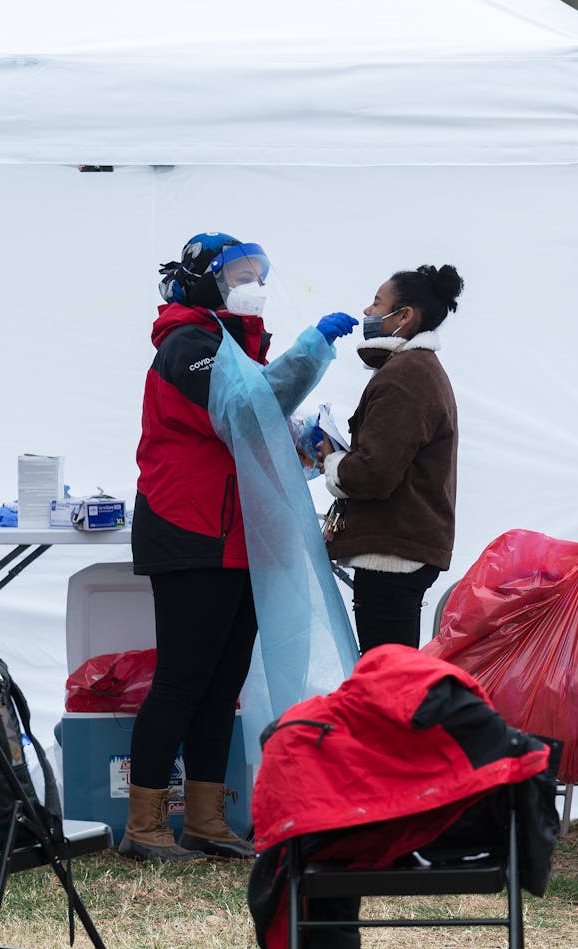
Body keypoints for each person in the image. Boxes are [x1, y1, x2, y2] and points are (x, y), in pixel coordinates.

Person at [127, 233, 358, 862]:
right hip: (190, 531)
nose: (251, 284)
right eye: (238, 275)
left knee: (222, 681)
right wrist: (315, 347)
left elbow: (258, 428)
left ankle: (206, 818)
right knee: (181, 679)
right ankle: (144, 822)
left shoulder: (236, 347)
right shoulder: (189, 344)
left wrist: (306, 443)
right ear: (205, 280)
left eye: (258, 273)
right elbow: (246, 410)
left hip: (238, 538)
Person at [316, 265, 463, 656]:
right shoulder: (416, 371)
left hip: (393, 556)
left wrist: (334, 463)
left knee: (387, 681)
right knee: (392, 676)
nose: (367, 310)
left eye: (377, 302)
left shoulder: (405, 376)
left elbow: (374, 473)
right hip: (402, 549)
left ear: (404, 316)